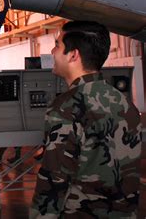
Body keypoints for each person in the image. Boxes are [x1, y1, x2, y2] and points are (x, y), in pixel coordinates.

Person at [30, 20, 142, 218]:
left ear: (73, 55)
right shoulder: (125, 103)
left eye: (58, 45)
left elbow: (55, 180)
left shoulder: (65, 106)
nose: (53, 51)